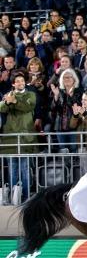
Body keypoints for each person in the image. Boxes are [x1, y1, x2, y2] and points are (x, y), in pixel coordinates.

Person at [0, 72, 37, 201]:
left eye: (22, 80)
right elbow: (2, 108)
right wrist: (8, 102)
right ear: (13, 84)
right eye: (18, 81)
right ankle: (14, 197)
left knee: (25, 168)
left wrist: (15, 101)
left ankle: (26, 197)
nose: (20, 83)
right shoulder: (9, 95)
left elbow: (28, 107)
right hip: (11, 137)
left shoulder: (30, 94)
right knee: (13, 168)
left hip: (26, 136)